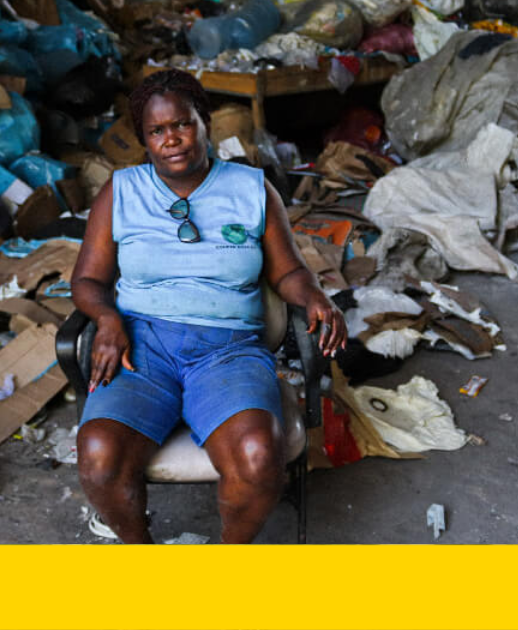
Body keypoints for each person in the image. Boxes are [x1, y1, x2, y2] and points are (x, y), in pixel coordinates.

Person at [70, 69, 347, 544]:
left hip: (228, 351)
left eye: (181, 124)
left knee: (259, 456)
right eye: (157, 131)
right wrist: (107, 318)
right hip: (142, 348)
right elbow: (89, 280)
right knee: (98, 453)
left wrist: (315, 296)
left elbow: (288, 273)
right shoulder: (120, 192)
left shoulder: (251, 189)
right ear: (144, 139)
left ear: (205, 123)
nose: (171, 139)